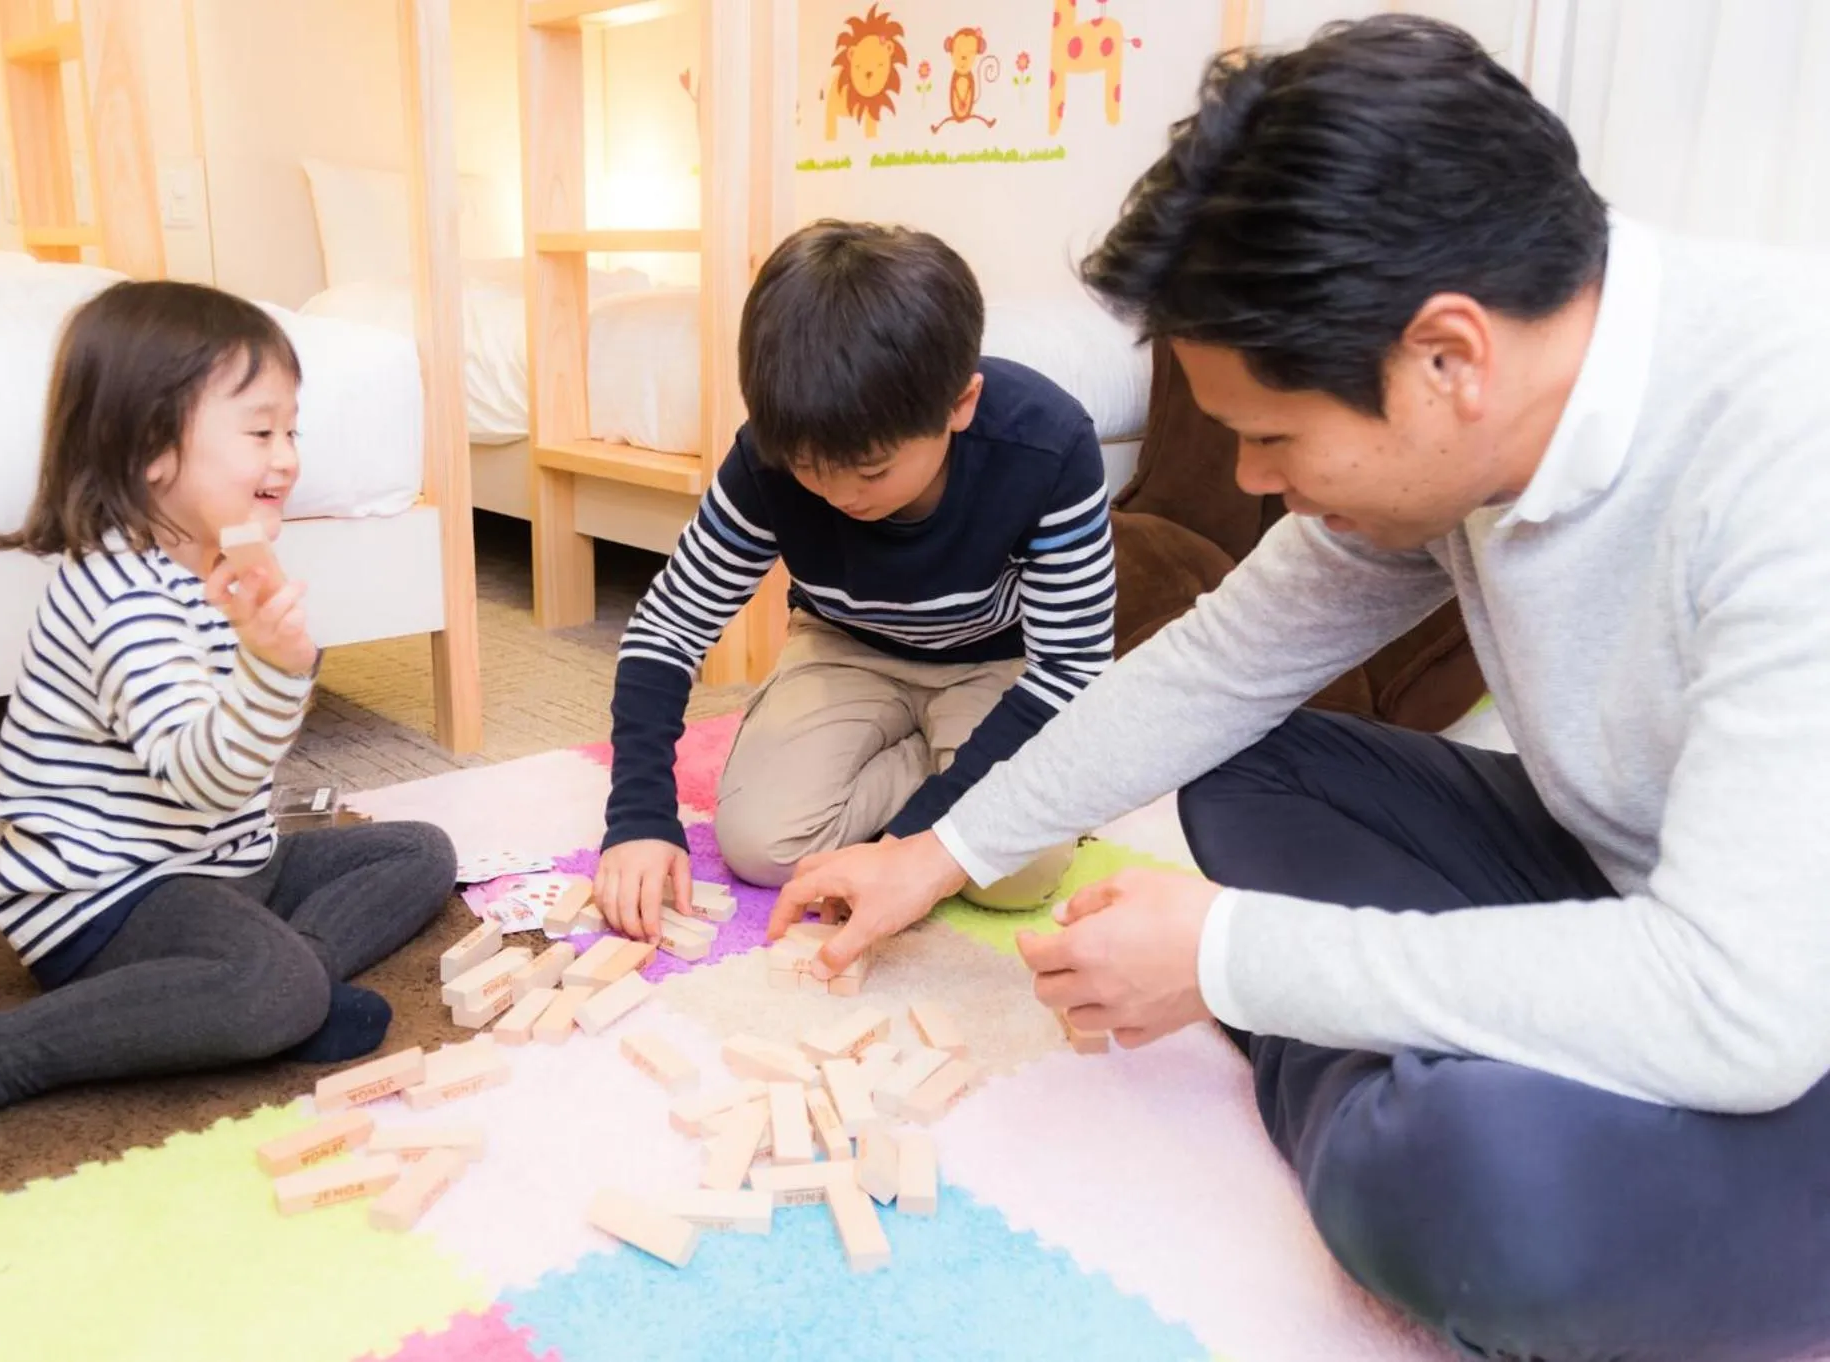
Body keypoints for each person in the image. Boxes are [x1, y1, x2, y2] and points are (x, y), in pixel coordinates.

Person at [772, 17, 1830, 1361]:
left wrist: (1232, 956)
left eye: (1273, 438)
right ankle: (1428, 1063)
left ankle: (1399, 1104)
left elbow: (1739, 1004)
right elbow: (1218, 664)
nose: (1258, 479)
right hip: (1623, 881)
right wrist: (934, 850)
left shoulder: (1787, 446)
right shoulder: (1477, 416)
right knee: (1249, 754)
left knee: (1474, 1182)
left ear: (1446, 357)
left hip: (1776, 1002)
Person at [0, 281, 454, 1191]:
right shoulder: (122, 599)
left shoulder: (212, 566)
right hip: (105, 894)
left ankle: (283, 988)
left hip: (220, 861)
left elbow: (237, 777)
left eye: (291, 430)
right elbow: (206, 778)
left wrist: (274, 660)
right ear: (150, 450)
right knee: (269, 987)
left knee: (420, 851)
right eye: (260, 432)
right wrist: (274, 665)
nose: (288, 457)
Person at [594, 220, 1116, 939]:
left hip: (999, 666)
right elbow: (669, 625)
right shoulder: (767, 458)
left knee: (1015, 874)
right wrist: (639, 815)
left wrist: (911, 843)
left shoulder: (1045, 444)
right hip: (844, 649)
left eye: (870, 471)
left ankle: (943, 759)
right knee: (760, 848)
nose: (838, 496)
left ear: (958, 406)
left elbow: (1072, 664)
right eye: (808, 471)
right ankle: (931, 754)